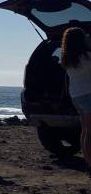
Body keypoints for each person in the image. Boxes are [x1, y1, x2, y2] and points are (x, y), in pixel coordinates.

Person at [61, 27, 91, 171]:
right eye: (85, 36)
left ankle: (88, 161)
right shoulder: (86, 57)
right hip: (88, 95)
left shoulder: (67, 57)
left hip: (76, 96)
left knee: (85, 130)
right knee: (88, 130)